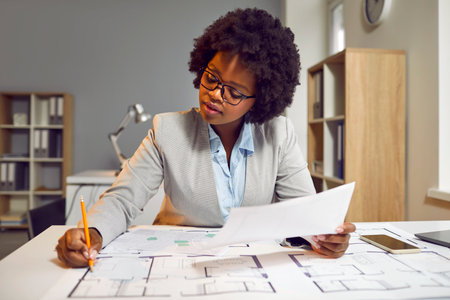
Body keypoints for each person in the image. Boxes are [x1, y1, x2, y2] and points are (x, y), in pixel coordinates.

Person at [56, 8, 356, 268]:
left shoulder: (279, 134)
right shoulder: (166, 130)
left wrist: (325, 236)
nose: (214, 94)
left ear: (261, 99)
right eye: (211, 77)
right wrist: (92, 232)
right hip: (177, 265)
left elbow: (304, 214)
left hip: (252, 269)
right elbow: (122, 201)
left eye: (234, 92)